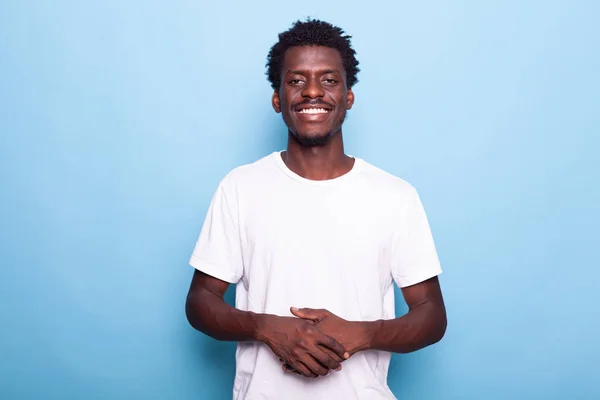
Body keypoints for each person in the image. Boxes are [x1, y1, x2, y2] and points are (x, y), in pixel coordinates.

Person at [185, 18, 447, 400]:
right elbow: (200, 302)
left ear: (348, 96)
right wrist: (269, 329)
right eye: (295, 80)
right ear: (277, 98)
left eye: (328, 80)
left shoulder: (395, 196)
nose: (312, 92)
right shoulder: (240, 188)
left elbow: (431, 315)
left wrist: (362, 333)